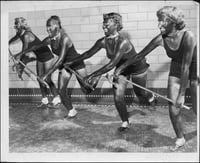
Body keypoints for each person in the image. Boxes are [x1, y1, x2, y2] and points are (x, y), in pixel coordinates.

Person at [115, 6, 197, 150]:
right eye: (158, 21)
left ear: (173, 21)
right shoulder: (161, 38)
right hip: (177, 68)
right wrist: (120, 69)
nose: (159, 24)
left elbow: (187, 66)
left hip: (194, 67)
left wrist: (182, 95)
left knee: (196, 107)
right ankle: (180, 138)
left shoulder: (188, 36)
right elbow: (139, 55)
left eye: (163, 21)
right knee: (173, 108)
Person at [65, 12, 156, 132]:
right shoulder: (102, 41)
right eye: (104, 24)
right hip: (121, 69)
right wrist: (71, 62)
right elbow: (88, 54)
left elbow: (111, 65)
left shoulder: (123, 41)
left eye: (107, 24)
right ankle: (125, 122)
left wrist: (93, 75)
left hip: (136, 67)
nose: (104, 26)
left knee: (140, 93)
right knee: (118, 97)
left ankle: (150, 96)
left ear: (117, 25)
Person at [18, 15, 99, 118]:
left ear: (57, 26)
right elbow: (36, 46)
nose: (47, 28)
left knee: (87, 89)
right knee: (61, 91)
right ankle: (71, 111)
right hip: (65, 66)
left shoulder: (65, 38)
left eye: (50, 26)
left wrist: (46, 74)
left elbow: (60, 60)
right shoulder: (49, 40)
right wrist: (20, 54)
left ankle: (97, 76)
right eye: (47, 26)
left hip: (76, 63)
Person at [9, 17, 61, 106]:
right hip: (39, 57)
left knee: (47, 79)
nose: (15, 25)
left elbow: (25, 50)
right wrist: (7, 42)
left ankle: (57, 98)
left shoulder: (27, 35)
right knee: (39, 78)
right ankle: (45, 100)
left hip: (47, 55)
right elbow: (14, 39)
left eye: (17, 23)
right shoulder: (19, 33)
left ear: (21, 25)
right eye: (15, 23)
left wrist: (18, 57)